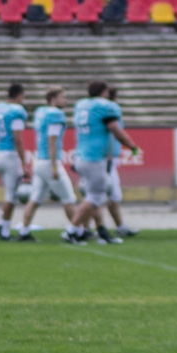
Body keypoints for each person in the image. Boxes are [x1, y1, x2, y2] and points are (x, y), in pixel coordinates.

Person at [63, 82, 141, 245]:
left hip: (81, 155)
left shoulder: (82, 105)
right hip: (94, 157)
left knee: (95, 196)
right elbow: (115, 128)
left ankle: (98, 230)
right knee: (95, 196)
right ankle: (72, 231)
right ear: (104, 92)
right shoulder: (105, 106)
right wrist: (132, 145)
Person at [18, 88, 77, 239]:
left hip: (38, 160)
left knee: (36, 198)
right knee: (69, 198)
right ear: (53, 98)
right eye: (62, 97)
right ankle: (77, 231)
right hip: (48, 162)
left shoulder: (41, 111)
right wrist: (54, 166)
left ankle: (23, 231)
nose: (65, 101)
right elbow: (52, 141)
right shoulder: (55, 114)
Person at [0, 82, 28, 240]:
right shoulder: (16, 111)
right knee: (11, 195)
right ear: (19, 96)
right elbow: (18, 139)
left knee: (10, 194)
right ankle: (4, 231)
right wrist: (24, 163)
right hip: (10, 154)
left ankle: (1, 224)